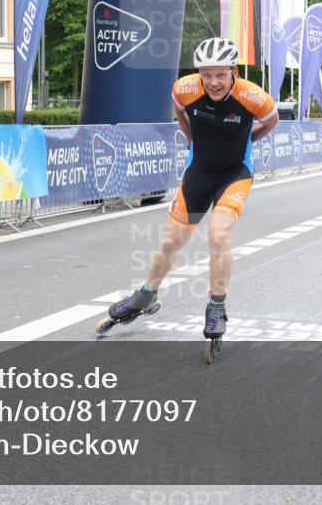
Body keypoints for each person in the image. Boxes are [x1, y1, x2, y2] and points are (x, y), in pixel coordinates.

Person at [106, 37, 280, 341]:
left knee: (218, 235)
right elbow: (181, 113)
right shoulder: (184, 89)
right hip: (199, 169)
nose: (212, 82)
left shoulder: (253, 97)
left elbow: (271, 120)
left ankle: (216, 306)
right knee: (172, 241)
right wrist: (194, 141)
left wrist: (247, 141)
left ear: (234, 73)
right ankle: (146, 294)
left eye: (220, 75)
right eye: (206, 75)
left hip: (235, 172)